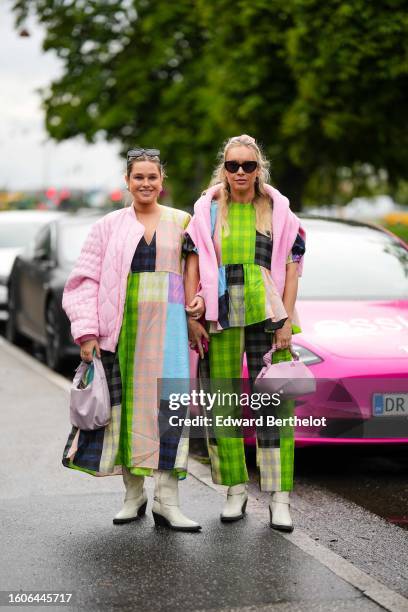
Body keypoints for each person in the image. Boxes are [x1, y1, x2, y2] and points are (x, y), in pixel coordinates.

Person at [62, 148, 201, 532]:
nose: (145, 184)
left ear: (162, 182)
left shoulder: (183, 221)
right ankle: (133, 495)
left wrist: (198, 311)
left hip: (170, 335)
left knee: (170, 412)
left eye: (152, 177)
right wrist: (87, 331)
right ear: (127, 181)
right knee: (126, 415)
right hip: (121, 333)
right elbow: (83, 281)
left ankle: (168, 502)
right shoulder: (108, 225)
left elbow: (200, 273)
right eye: (138, 177)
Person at [184, 135, 306, 532]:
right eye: (233, 165)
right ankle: (235, 490)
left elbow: (291, 266)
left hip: (268, 313)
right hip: (219, 312)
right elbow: (191, 260)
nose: (240, 172)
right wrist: (193, 310)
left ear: (259, 169)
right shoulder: (207, 209)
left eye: (248, 166)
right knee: (222, 401)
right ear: (224, 168)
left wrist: (286, 319)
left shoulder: (277, 209)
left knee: (274, 405)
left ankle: (279, 498)